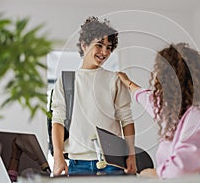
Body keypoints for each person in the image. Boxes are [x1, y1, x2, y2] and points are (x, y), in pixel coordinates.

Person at [117, 43, 200, 179]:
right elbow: (150, 101)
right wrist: (128, 83)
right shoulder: (179, 111)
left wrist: (152, 173)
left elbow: (180, 171)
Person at [51, 16, 137, 176]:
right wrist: (58, 157)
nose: (104, 52)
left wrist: (131, 155)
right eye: (99, 45)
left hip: (113, 163)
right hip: (77, 164)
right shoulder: (66, 81)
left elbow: (127, 120)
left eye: (109, 47)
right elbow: (58, 121)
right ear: (84, 45)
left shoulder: (115, 80)